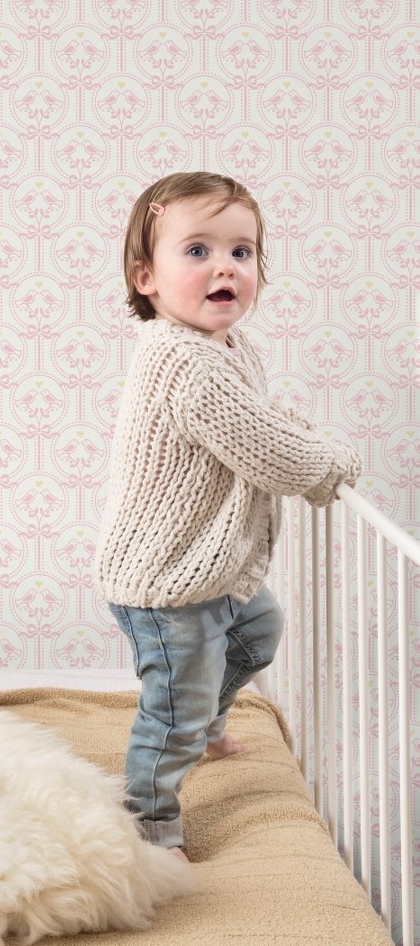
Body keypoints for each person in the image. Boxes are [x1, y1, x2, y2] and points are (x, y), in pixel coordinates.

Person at [94, 171, 362, 863]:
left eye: (242, 252)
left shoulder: (227, 348)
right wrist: (334, 464)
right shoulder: (186, 364)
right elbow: (276, 455)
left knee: (257, 631)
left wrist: (310, 437)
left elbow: (266, 419)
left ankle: (209, 718)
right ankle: (149, 822)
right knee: (172, 712)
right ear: (146, 278)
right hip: (165, 580)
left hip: (208, 569)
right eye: (198, 250)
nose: (226, 267)